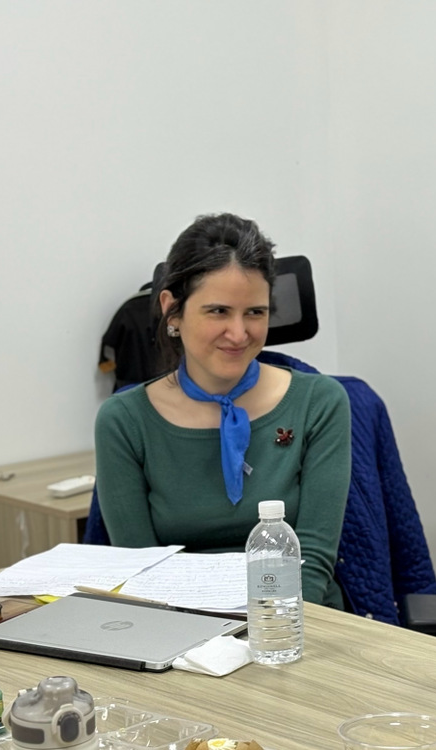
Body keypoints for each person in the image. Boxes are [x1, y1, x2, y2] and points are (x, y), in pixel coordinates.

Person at [95, 213, 352, 608]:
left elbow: (313, 561)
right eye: (218, 311)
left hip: (297, 617)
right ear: (172, 311)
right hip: (179, 623)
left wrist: (271, 629)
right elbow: (141, 573)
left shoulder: (320, 402)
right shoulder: (124, 421)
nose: (238, 333)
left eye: (255, 312)